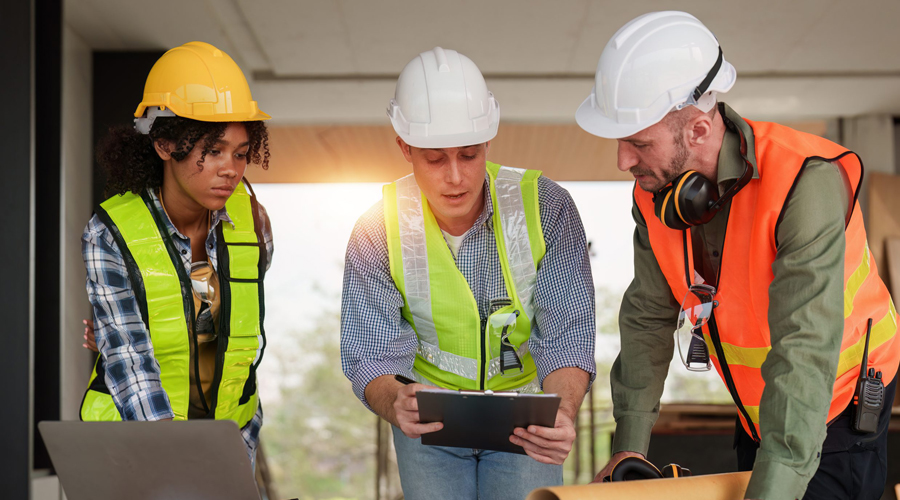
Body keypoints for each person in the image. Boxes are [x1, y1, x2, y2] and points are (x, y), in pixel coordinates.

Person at [576, 11, 900, 500]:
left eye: (638, 142)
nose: (623, 159)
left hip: (839, 406)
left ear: (700, 130)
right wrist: (629, 446)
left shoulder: (804, 184)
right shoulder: (654, 194)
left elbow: (805, 348)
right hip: (760, 410)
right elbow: (647, 317)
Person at [340, 47, 596, 499]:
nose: (456, 176)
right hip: (430, 428)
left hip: (522, 422)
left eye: (469, 154)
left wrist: (564, 414)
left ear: (488, 142)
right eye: (435, 159)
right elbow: (370, 353)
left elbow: (567, 337)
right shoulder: (376, 228)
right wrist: (393, 400)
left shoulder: (547, 207)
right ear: (405, 148)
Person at [79, 41, 273, 467]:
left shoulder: (252, 222)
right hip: (135, 450)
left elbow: (232, 333)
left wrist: (230, 457)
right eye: (214, 150)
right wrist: (174, 460)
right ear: (165, 144)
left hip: (228, 445)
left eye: (241, 154)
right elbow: (131, 362)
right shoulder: (110, 234)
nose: (231, 169)